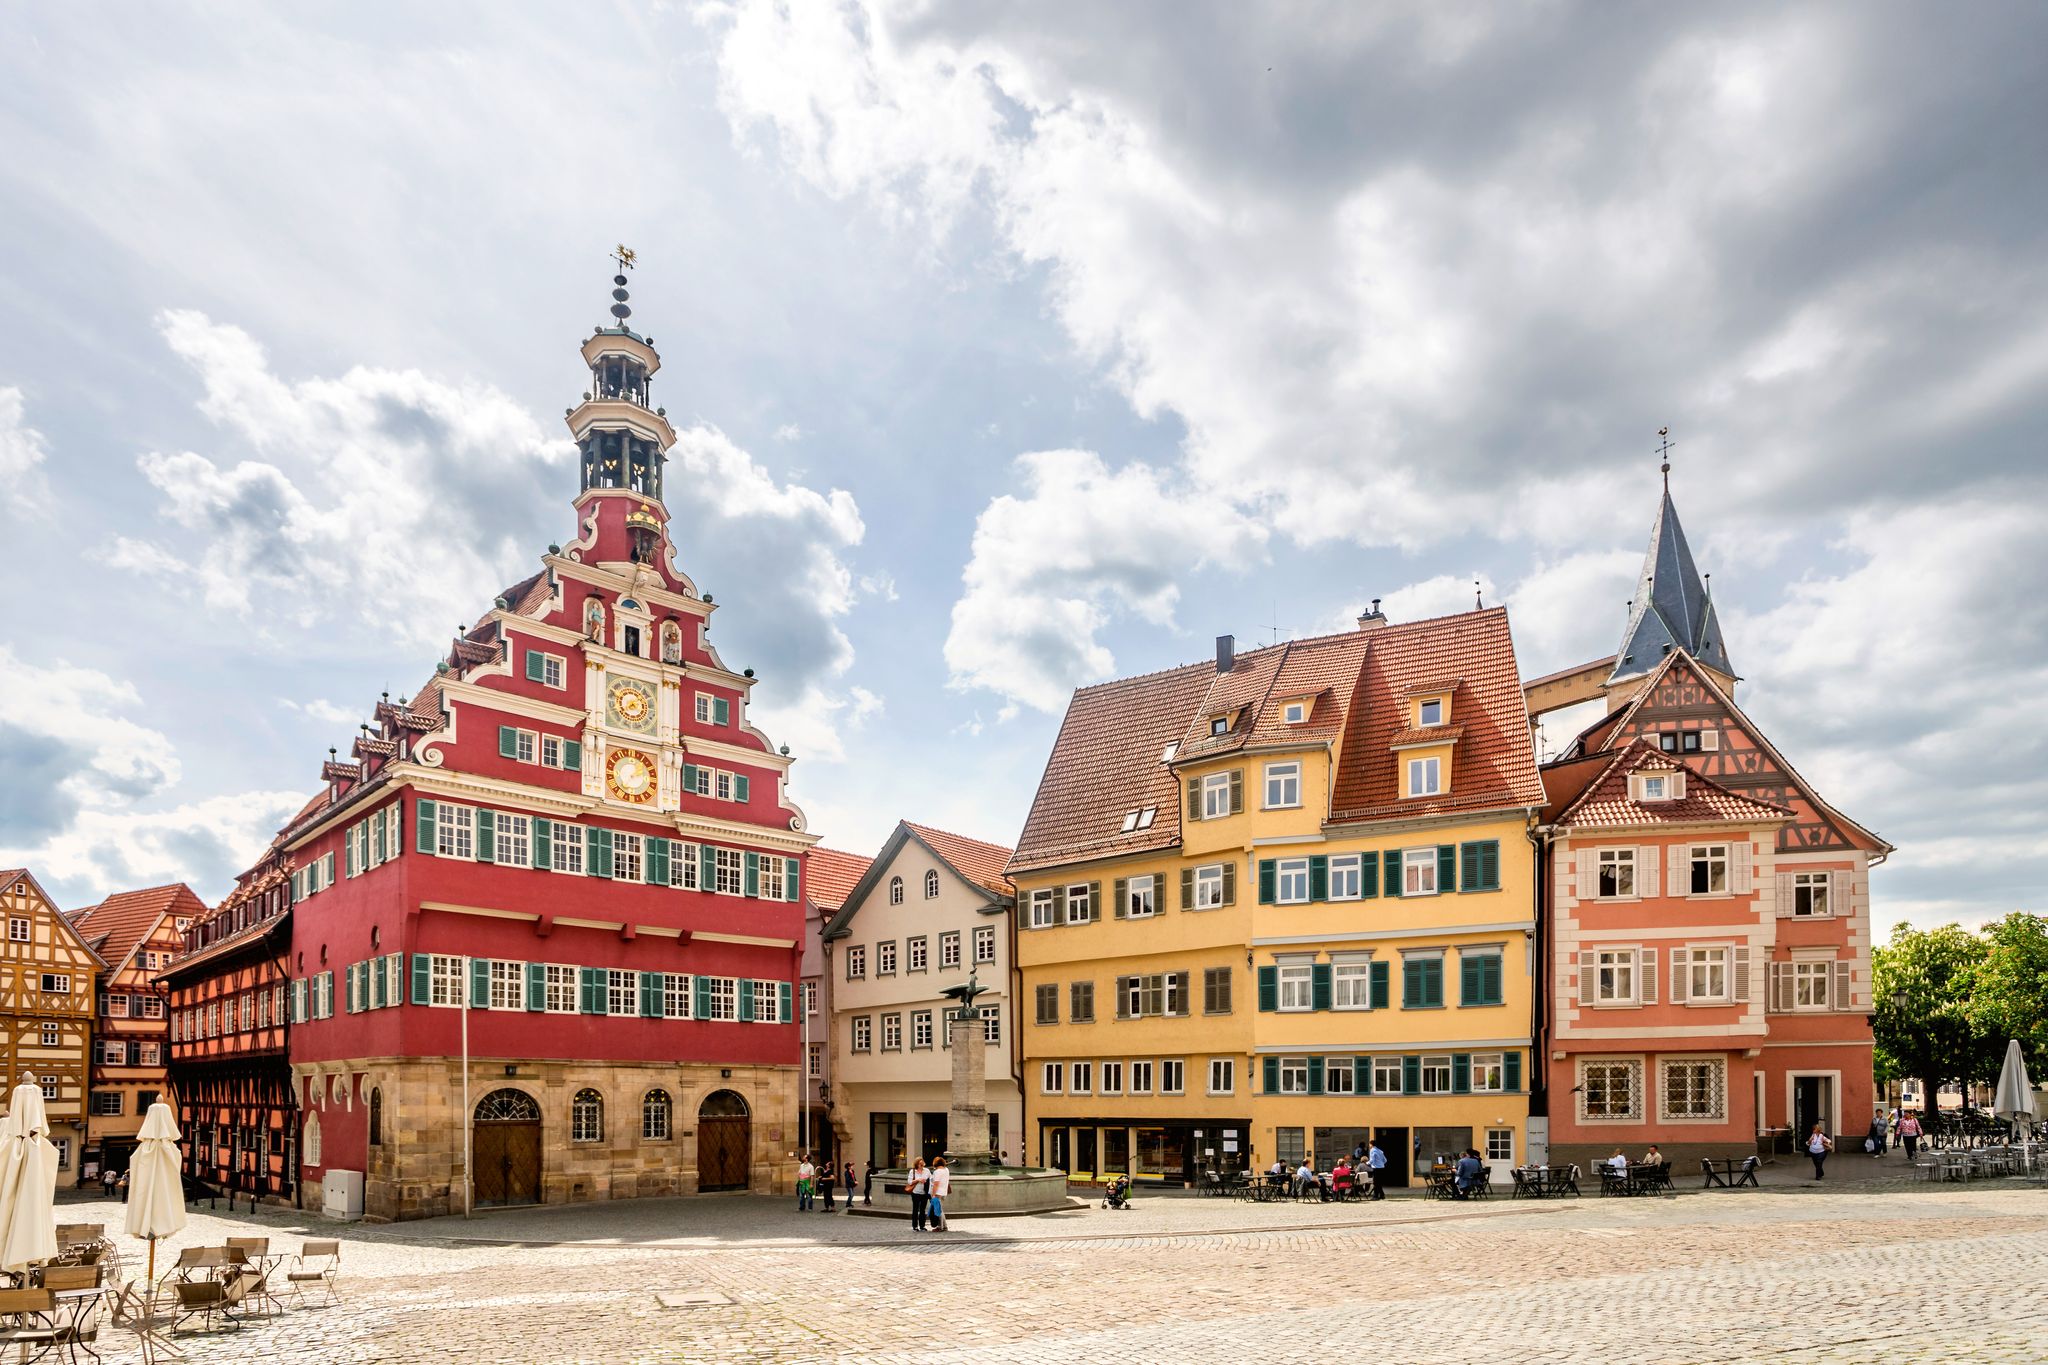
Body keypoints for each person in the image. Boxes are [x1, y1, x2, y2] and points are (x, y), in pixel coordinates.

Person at [907, 1158, 931, 1231]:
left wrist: (926, 1181)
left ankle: (922, 1226)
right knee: (915, 1209)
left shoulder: (927, 1171)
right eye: (920, 1164)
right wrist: (918, 1180)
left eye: (922, 1164)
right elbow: (910, 1182)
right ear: (917, 1164)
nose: (921, 1165)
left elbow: (931, 1179)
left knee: (922, 1210)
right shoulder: (913, 1171)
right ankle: (915, 1226)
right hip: (915, 1193)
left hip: (924, 1193)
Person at [928, 1157, 951, 1231]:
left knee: (938, 1211)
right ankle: (944, 1226)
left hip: (938, 1192)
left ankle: (940, 1227)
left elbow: (936, 1184)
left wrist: (933, 1194)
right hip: (944, 1192)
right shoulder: (946, 1170)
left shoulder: (937, 1172)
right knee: (940, 1209)